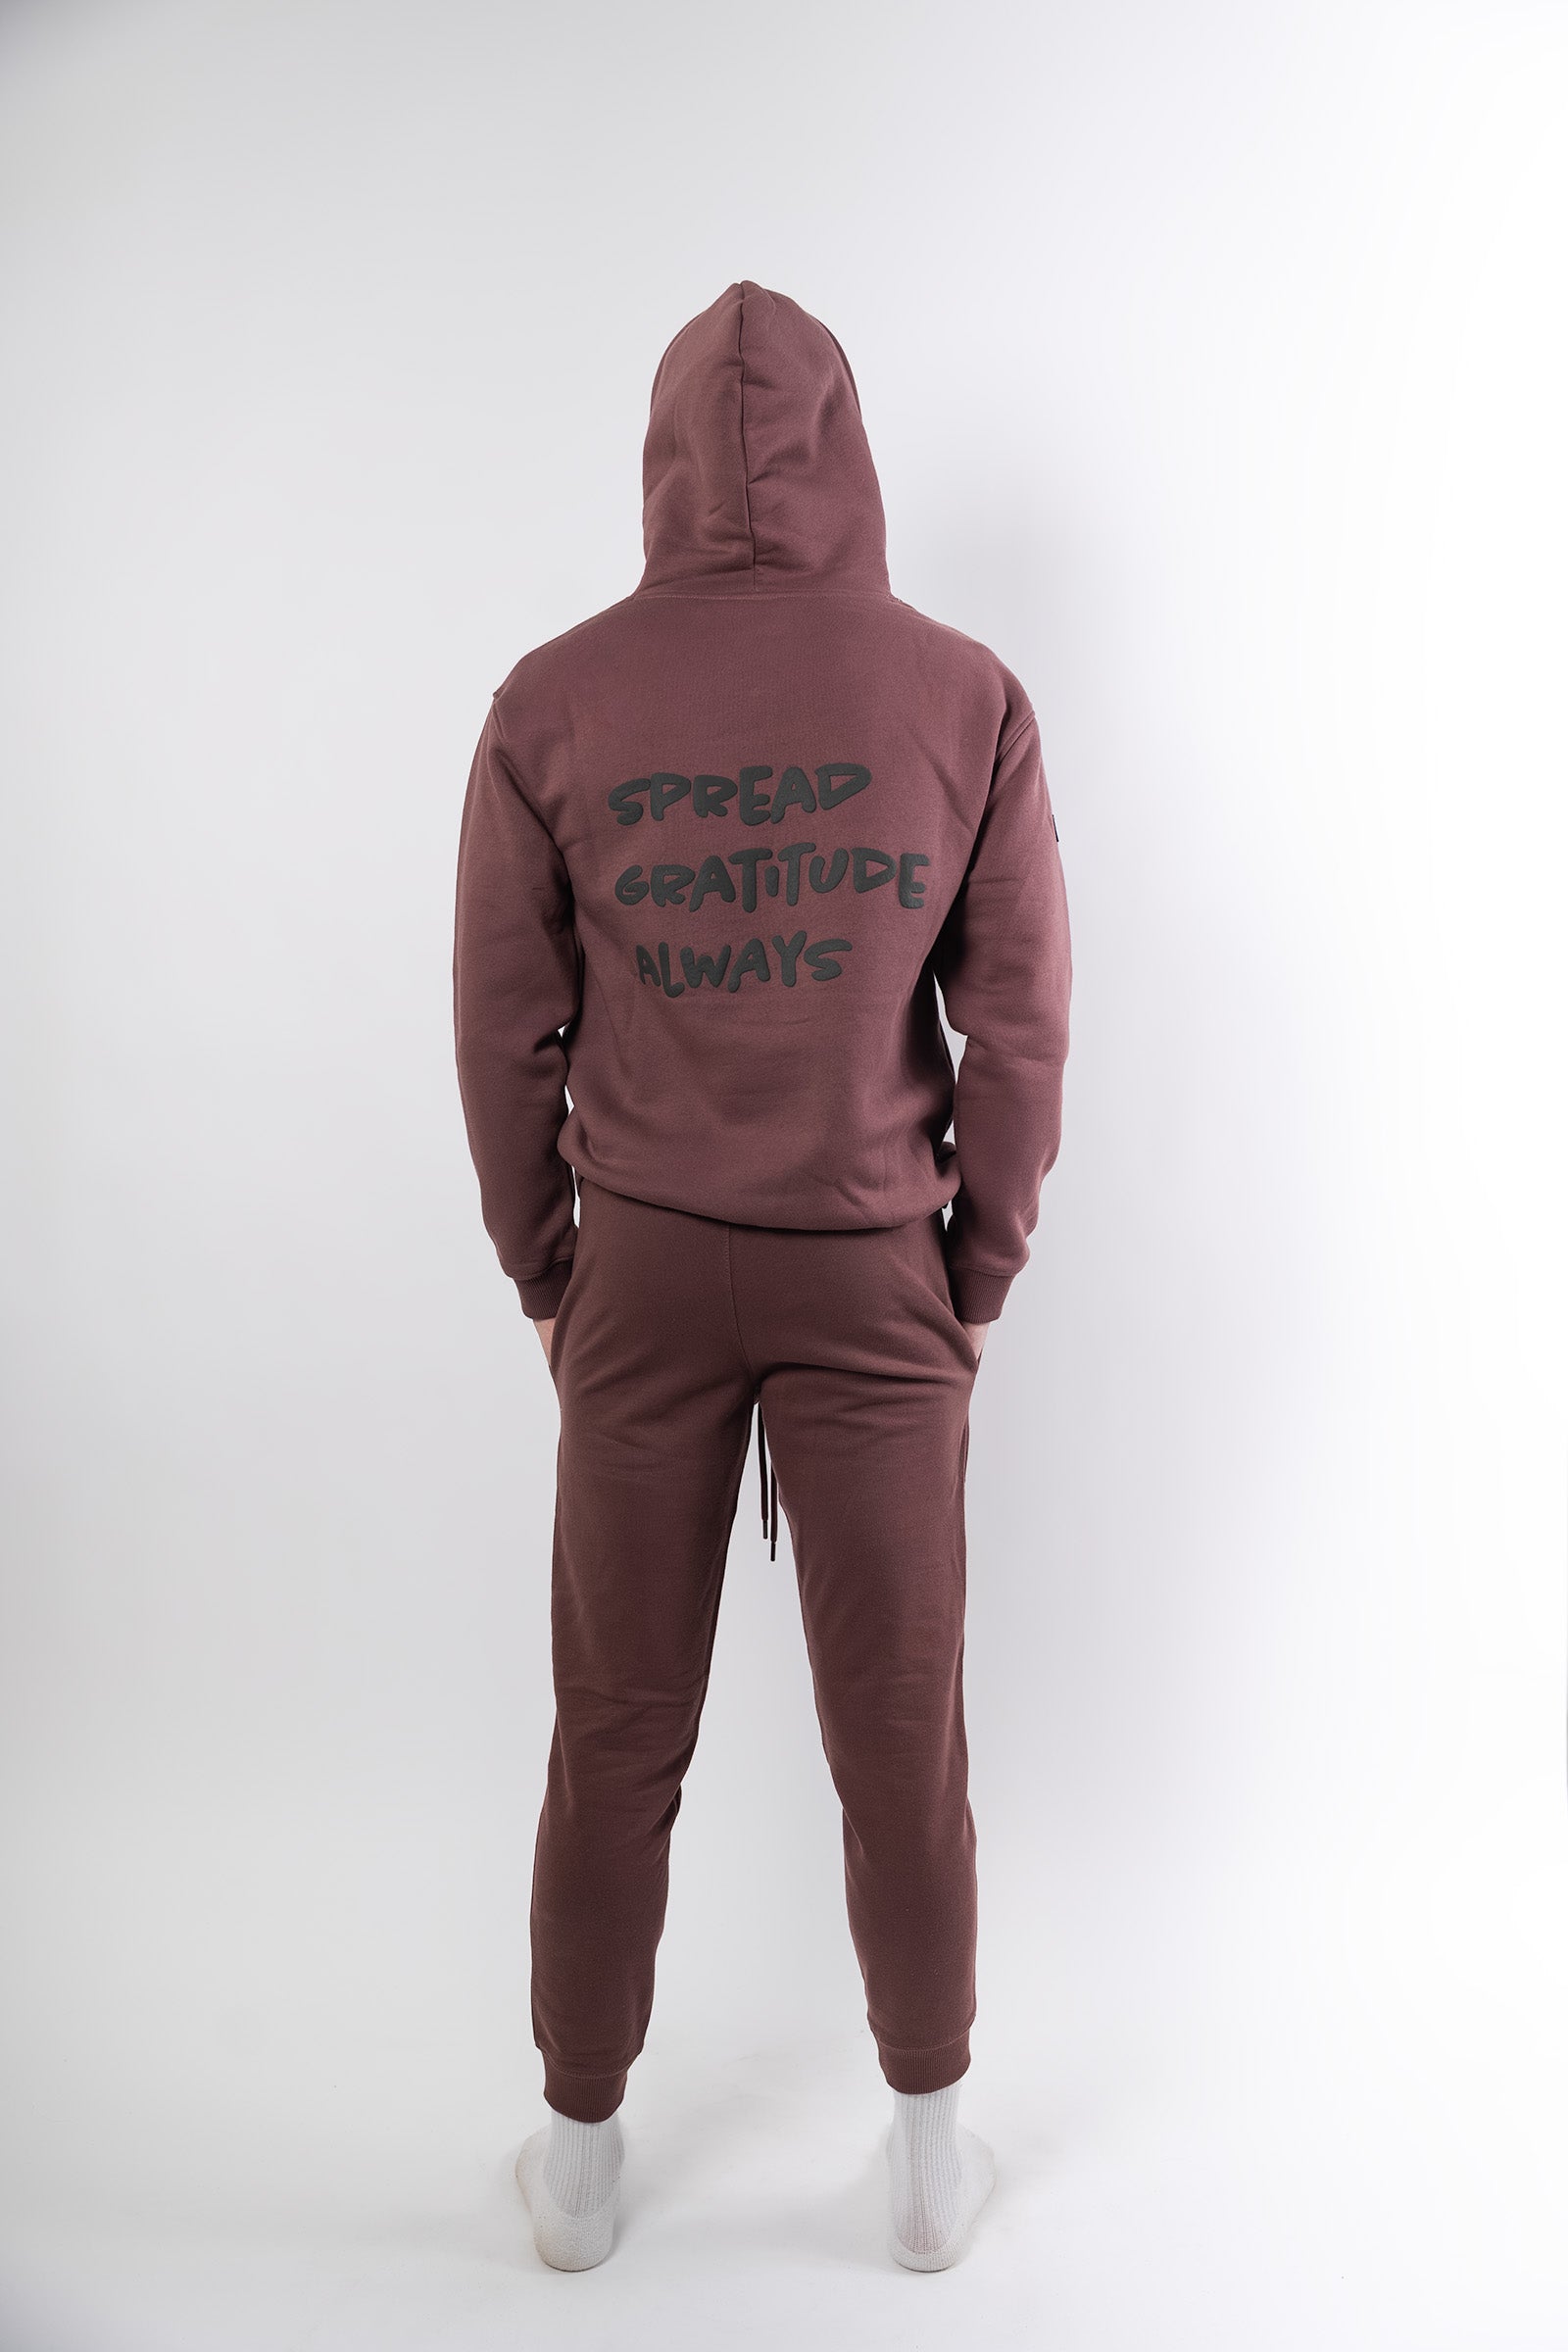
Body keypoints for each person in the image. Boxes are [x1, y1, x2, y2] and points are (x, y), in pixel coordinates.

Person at [452, 280, 1072, 2273]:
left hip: (639, 1276)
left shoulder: (552, 702)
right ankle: (928, 2161)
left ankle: (577, 2163)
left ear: (660, 463)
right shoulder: (961, 696)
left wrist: (550, 1269)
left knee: (614, 1724)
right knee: (902, 1732)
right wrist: (973, 1270)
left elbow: (501, 1029)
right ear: (850, 452)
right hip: (875, 1280)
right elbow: (1020, 1026)